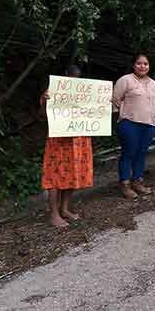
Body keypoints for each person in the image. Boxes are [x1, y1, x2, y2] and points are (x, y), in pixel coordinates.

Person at [40, 65, 93, 228]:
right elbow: (42, 116)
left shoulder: (84, 93)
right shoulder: (52, 91)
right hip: (59, 141)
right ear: (64, 77)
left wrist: (105, 103)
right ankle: (54, 214)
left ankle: (64, 209)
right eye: (71, 77)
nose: (74, 81)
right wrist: (44, 102)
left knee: (72, 173)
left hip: (78, 140)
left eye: (77, 78)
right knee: (54, 176)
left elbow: (95, 113)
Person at [112, 53, 155, 199]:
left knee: (141, 153)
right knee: (129, 153)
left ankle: (137, 181)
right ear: (134, 65)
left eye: (145, 64)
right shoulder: (125, 80)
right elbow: (115, 100)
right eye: (139, 63)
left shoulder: (153, 84)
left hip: (149, 124)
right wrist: (124, 114)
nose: (142, 66)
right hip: (129, 123)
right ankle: (125, 183)